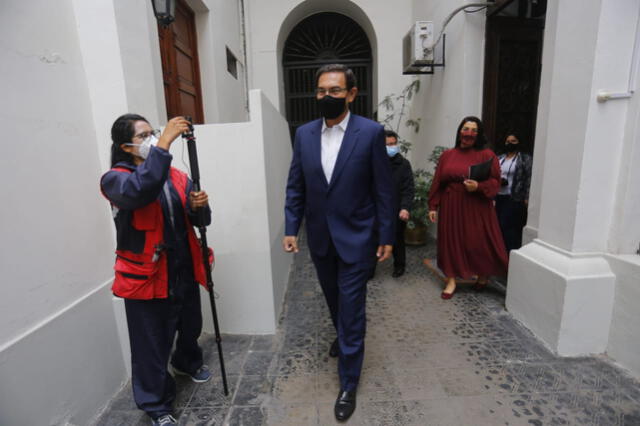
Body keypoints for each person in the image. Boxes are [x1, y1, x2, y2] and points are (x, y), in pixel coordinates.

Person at [283, 64, 394, 421]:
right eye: (320, 91)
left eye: (334, 90)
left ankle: (348, 381)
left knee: (351, 305)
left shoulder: (371, 132)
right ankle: (345, 334)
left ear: (351, 93)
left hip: (358, 237)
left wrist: (386, 235)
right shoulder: (303, 134)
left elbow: (383, 189)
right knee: (333, 298)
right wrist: (290, 227)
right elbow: (296, 185)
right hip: (320, 238)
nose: (326, 97)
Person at [100, 114, 212, 426]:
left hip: (182, 266)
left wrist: (199, 206)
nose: (153, 139)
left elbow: (201, 222)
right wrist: (164, 144)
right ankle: (157, 405)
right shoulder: (116, 180)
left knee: (190, 323)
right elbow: (140, 190)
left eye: (154, 133)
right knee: (151, 342)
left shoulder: (176, 176)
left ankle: (186, 361)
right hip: (147, 275)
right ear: (126, 146)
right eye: (144, 136)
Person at [427, 116, 508, 299]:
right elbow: (438, 182)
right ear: (459, 131)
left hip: (476, 205)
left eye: (473, 130)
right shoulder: (447, 155)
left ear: (478, 134)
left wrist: (478, 186)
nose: (468, 133)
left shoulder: (487, 155)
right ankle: (451, 281)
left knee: (478, 241)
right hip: (451, 205)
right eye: (465, 129)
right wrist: (433, 205)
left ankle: (483, 275)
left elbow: (496, 182)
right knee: (450, 242)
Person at [495, 133, 533, 254]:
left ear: (519, 142)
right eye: (507, 141)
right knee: (497, 227)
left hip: (514, 197)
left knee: (508, 227)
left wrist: (527, 197)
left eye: (513, 141)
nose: (510, 143)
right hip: (497, 196)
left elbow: (529, 178)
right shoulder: (499, 158)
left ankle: (509, 255)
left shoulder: (524, 158)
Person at [385, 130, 415, 278]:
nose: (391, 147)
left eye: (393, 143)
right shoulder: (374, 162)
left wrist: (405, 207)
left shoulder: (404, 164)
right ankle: (369, 267)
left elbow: (408, 188)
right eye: (388, 144)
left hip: (397, 208)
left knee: (397, 238)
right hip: (378, 208)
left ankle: (399, 266)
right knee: (373, 239)